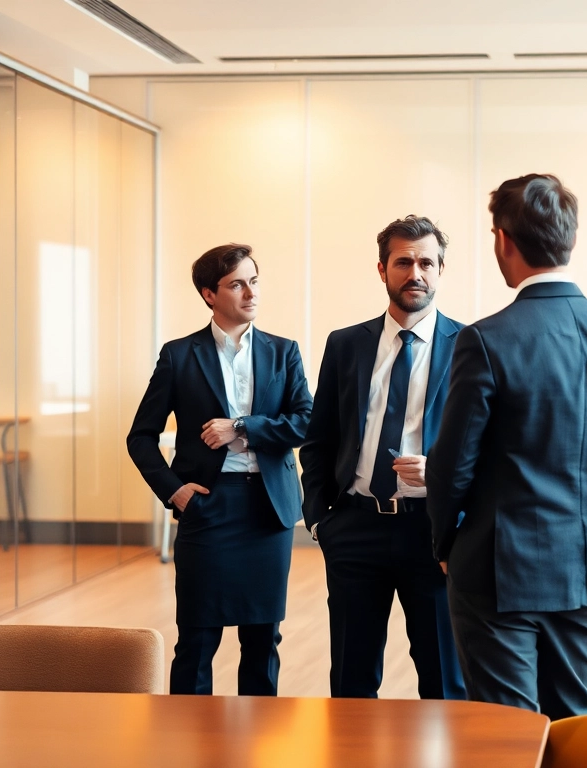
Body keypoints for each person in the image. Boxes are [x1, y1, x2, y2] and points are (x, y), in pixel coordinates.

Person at [425, 173, 587, 719]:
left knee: (507, 727)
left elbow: (453, 465)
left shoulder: (485, 338)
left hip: (501, 566)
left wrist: (444, 544)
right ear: (569, 238)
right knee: (575, 716)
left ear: (503, 239)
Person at [126, 244, 312, 697]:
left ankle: (258, 747)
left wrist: (242, 428)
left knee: (263, 639)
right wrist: (175, 492)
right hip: (206, 505)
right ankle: (187, 747)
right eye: (236, 284)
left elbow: (307, 421)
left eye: (254, 280)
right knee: (197, 638)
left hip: (268, 510)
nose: (250, 292)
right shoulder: (178, 355)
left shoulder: (283, 352)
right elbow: (140, 437)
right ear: (210, 294)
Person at [299, 215, 466, 700]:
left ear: (440, 270)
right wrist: (318, 520)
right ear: (382, 269)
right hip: (354, 528)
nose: (416, 272)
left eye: (427, 262)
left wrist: (440, 479)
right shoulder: (346, 344)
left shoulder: (472, 346)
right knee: (351, 681)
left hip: (433, 533)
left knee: (443, 681)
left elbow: (487, 448)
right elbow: (319, 438)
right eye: (404, 261)